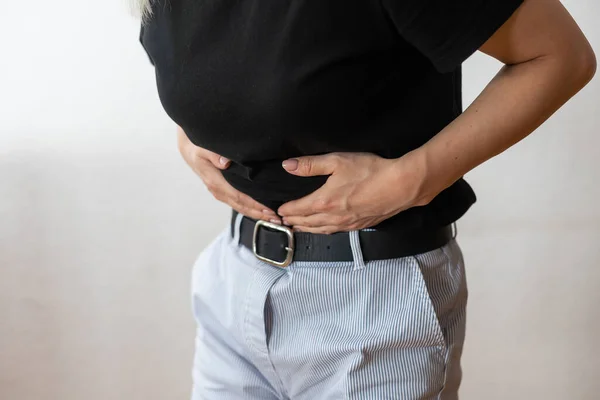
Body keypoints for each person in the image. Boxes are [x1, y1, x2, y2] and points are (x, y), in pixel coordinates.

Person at [135, 0, 595, 398]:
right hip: (233, 284)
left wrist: (414, 178)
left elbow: (560, 57)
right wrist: (191, 135)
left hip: (374, 300)